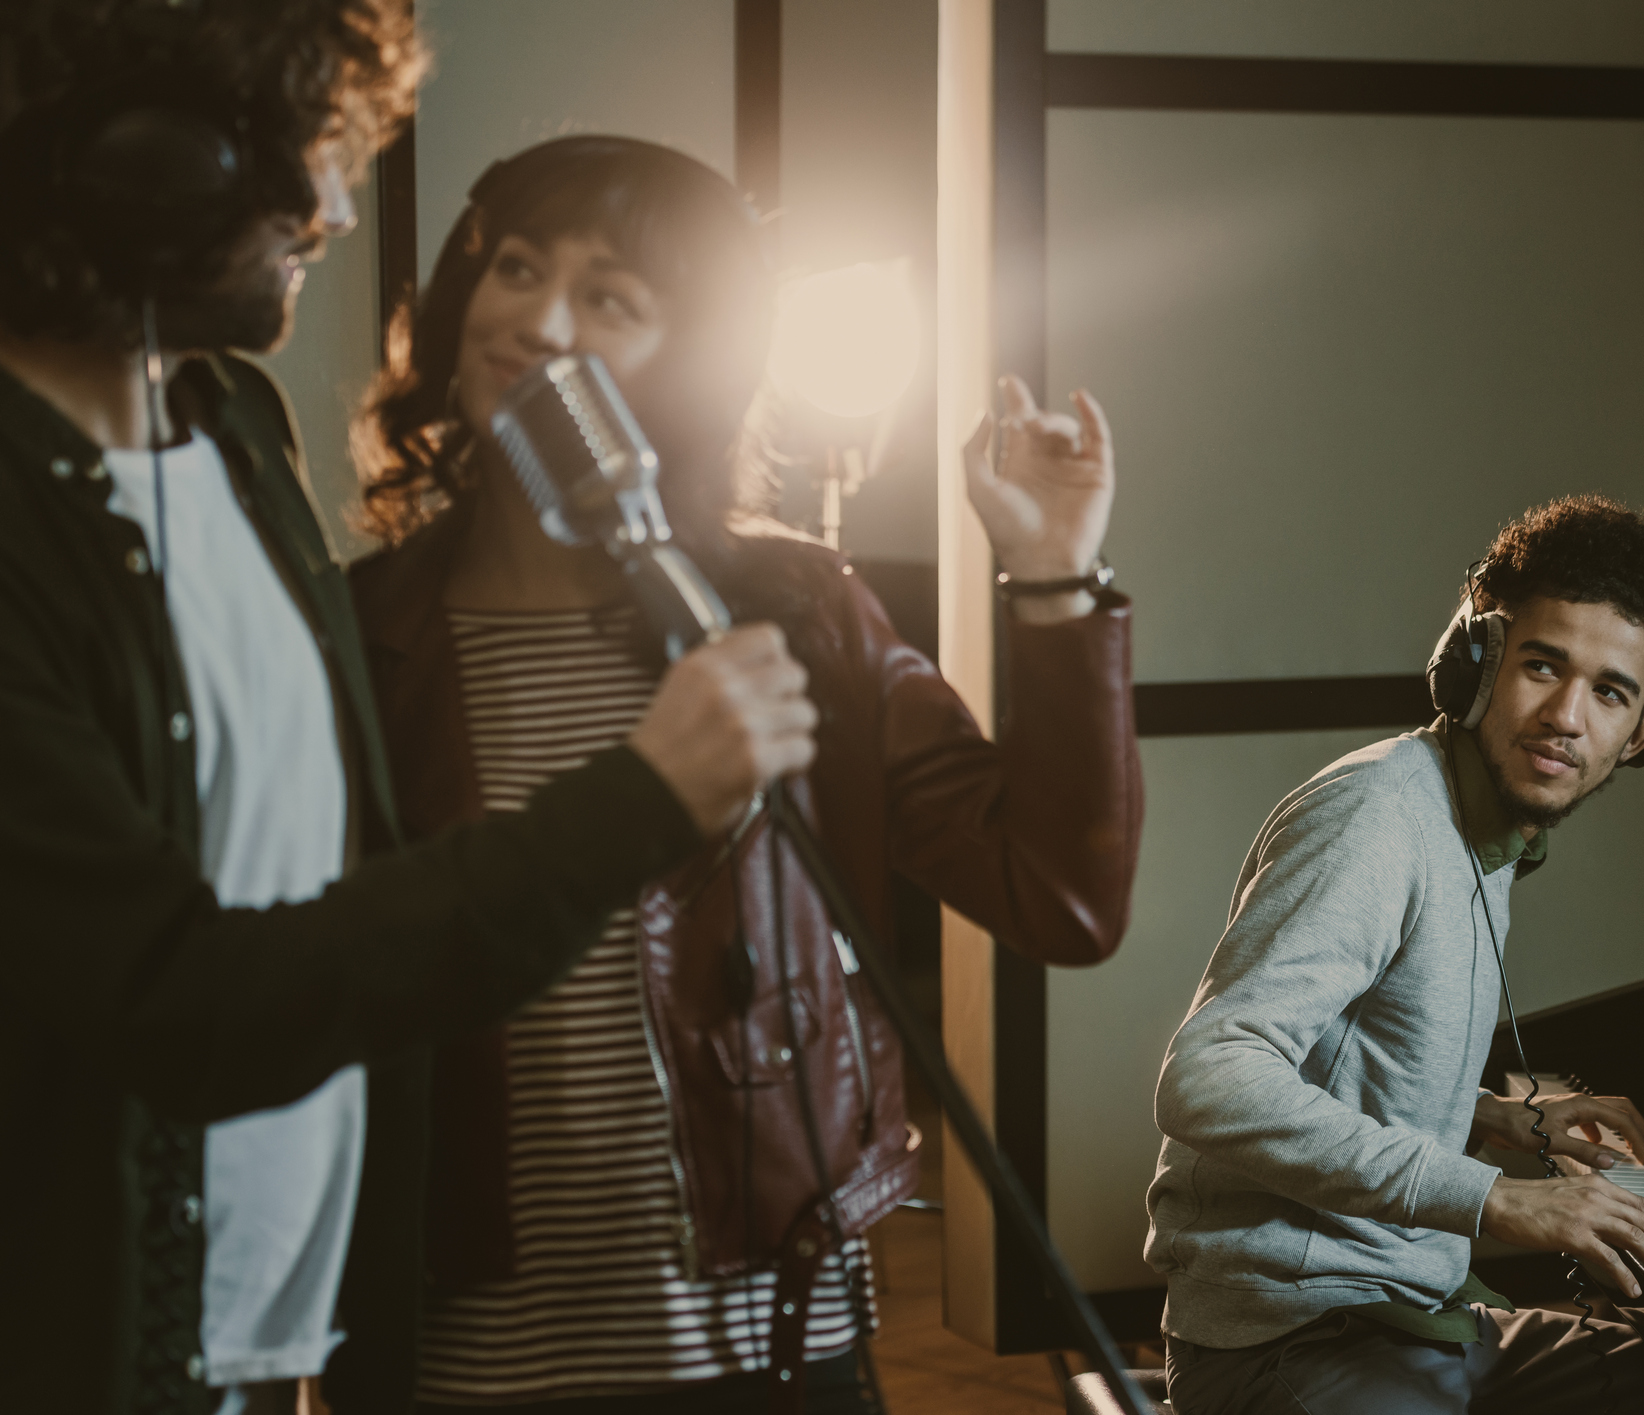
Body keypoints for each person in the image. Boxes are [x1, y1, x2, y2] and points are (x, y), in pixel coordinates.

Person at [0, 8, 821, 1413]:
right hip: (92, 1342)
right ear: (151, 160)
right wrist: (631, 802)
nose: (333, 207)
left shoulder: (238, 429)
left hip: (295, 1329)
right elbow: (168, 994)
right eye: (311, 152)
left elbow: (341, 894)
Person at [342, 135, 1142, 1412]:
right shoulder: (359, 634)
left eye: (608, 297)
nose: (538, 320)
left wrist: (1052, 579)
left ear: (691, 358)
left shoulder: (794, 611)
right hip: (466, 1351)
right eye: (514, 267)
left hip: (764, 1338)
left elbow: (1057, 894)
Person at [1144, 496, 1644, 1414]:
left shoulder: (1491, 831)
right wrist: (1499, 1197)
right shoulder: (1378, 818)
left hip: (1411, 1311)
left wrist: (1502, 1118)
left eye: (1610, 691)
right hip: (1290, 1335)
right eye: (1542, 665)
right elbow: (1210, 1074)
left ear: (1643, 731)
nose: (1567, 716)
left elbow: (1347, 1059)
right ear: (1475, 663)